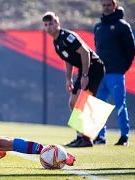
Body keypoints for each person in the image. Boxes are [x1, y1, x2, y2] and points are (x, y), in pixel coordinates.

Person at [42, 12, 105, 147]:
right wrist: (68, 79)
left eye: (51, 24)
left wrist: (85, 75)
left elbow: (85, 52)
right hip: (84, 70)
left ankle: (87, 139)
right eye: (46, 25)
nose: (48, 28)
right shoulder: (56, 42)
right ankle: (80, 136)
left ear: (57, 24)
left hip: (94, 68)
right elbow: (68, 60)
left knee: (85, 102)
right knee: (73, 102)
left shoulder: (67, 37)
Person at [93, 0, 135, 146]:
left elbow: (131, 51)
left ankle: (124, 136)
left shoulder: (123, 26)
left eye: (109, 5)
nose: (106, 8)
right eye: (104, 5)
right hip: (101, 74)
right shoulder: (98, 27)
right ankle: (100, 136)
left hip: (116, 73)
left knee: (120, 104)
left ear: (114, 6)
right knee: (99, 105)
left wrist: (122, 68)